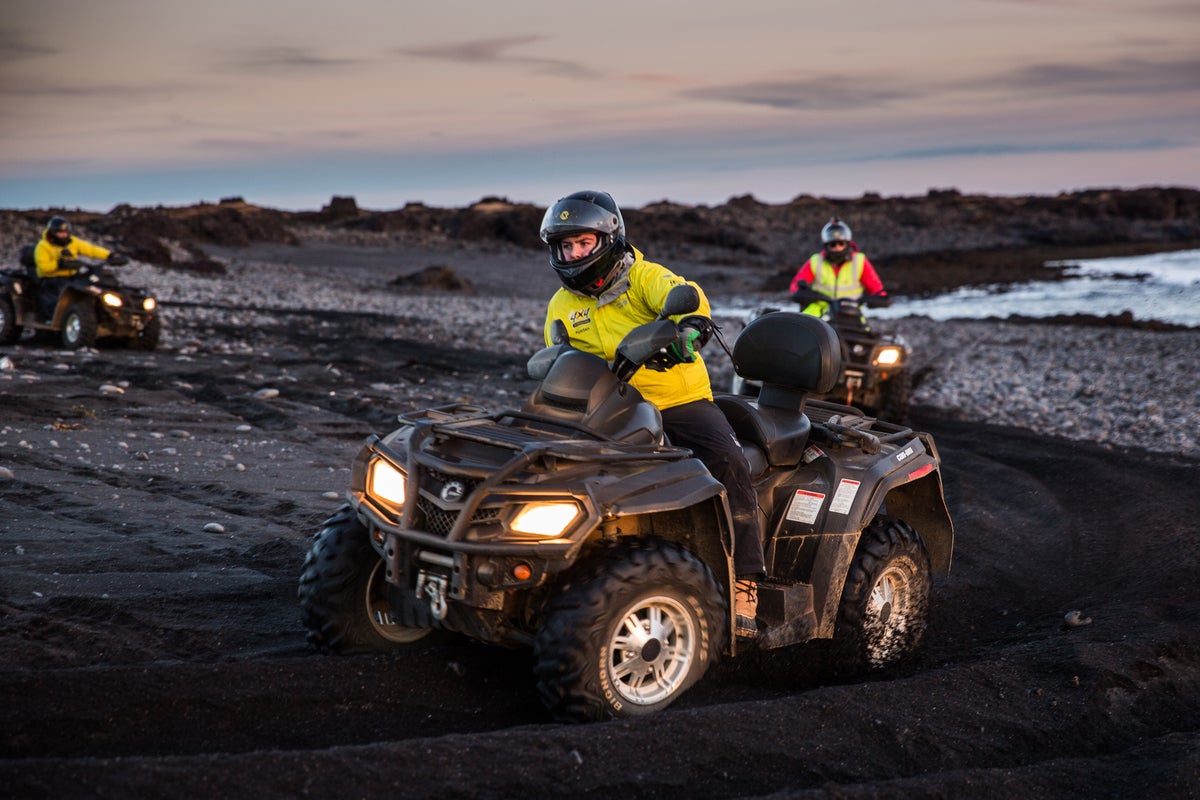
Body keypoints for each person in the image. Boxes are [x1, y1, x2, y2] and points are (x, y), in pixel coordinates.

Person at [540, 190, 765, 637]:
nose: (573, 253)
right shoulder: (562, 304)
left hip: (677, 404)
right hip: (606, 410)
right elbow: (556, 354)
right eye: (566, 246)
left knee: (729, 462)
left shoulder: (643, 276)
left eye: (583, 243)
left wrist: (688, 331)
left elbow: (687, 295)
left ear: (608, 239)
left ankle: (744, 579)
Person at [787, 217, 890, 321]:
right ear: (826, 246)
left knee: (866, 332)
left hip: (850, 313)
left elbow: (876, 289)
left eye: (841, 244)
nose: (837, 248)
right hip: (820, 312)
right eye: (833, 244)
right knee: (803, 326)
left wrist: (879, 298)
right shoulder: (815, 261)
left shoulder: (859, 261)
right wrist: (804, 292)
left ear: (847, 243)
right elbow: (795, 285)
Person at [32, 215, 125, 320]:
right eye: (60, 232)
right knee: (58, 296)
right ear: (52, 232)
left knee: (88, 287)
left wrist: (109, 255)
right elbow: (43, 267)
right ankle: (54, 318)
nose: (63, 235)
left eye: (65, 232)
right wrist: (59, 264)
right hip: (51, 279)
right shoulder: (43, 246)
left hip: (72, 277)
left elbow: (91, 250)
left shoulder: (72, 242)